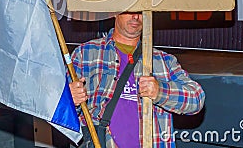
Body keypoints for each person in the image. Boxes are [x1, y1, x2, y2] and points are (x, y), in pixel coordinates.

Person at [69, 12, 205, 147]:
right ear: (115, 13)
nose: (136, 17)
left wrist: (160, 91)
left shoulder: (163, 60)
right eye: (130, 11)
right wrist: (70, 99)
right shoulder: (84, 54)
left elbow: (197, 99)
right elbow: (61, 114)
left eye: (141, 12)